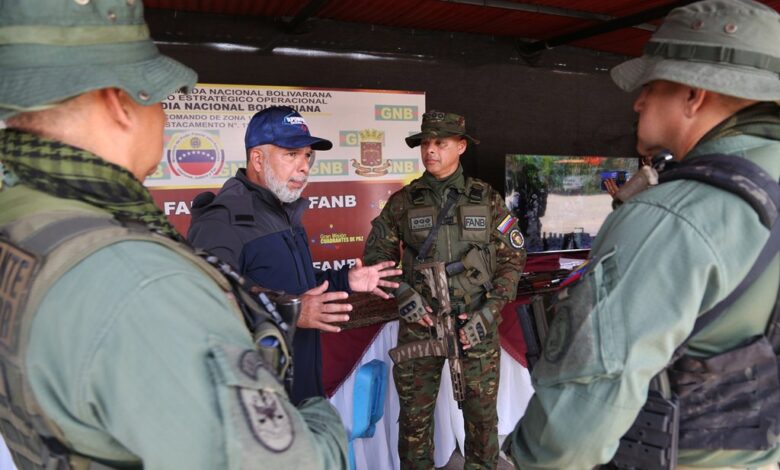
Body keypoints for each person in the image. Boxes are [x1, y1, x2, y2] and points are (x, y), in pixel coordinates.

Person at [0, 1, 347, 468]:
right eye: (160, 98)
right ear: (117, 102)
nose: (164, 117)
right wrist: (323, 420)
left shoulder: (25, 221)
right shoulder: (145, 281)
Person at [504, 0, 780, 468]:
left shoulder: (671, 215)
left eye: (651, 86)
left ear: (694, 95)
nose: (637, 102)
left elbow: (575, 427)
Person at [188, 105, 401, 405]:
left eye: (307, 156)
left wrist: (346, 279)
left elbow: (296, 286)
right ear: (257, 159)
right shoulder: (222, 220)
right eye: (291, 154)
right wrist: (292, 312)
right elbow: (205, 308)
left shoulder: (284, 212)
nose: (304, 166)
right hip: (255, 406)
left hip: (298, 392)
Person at [363, 110, 527, 469]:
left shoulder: (486, 199)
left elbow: (513, 259)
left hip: (475, 328)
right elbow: (377, 256)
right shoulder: (404, 202)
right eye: (425, 143)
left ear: (461, 146)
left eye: (440, 142)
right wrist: (404, 295)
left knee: (482, 423)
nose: (430, 150)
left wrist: (489, 311)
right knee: (414, 424)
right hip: (420, 326)